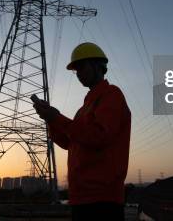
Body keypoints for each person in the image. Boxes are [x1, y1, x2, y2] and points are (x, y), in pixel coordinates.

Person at [33, 42, 131, 221]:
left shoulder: (111, 95)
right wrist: (51, 119)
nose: (78, 73)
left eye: (81, 67)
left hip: (103, 199)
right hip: (81, 197)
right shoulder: (85, 107)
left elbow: (99, 136)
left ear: (98, 66)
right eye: (75, 70)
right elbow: (68, 143)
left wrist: (57, 118)